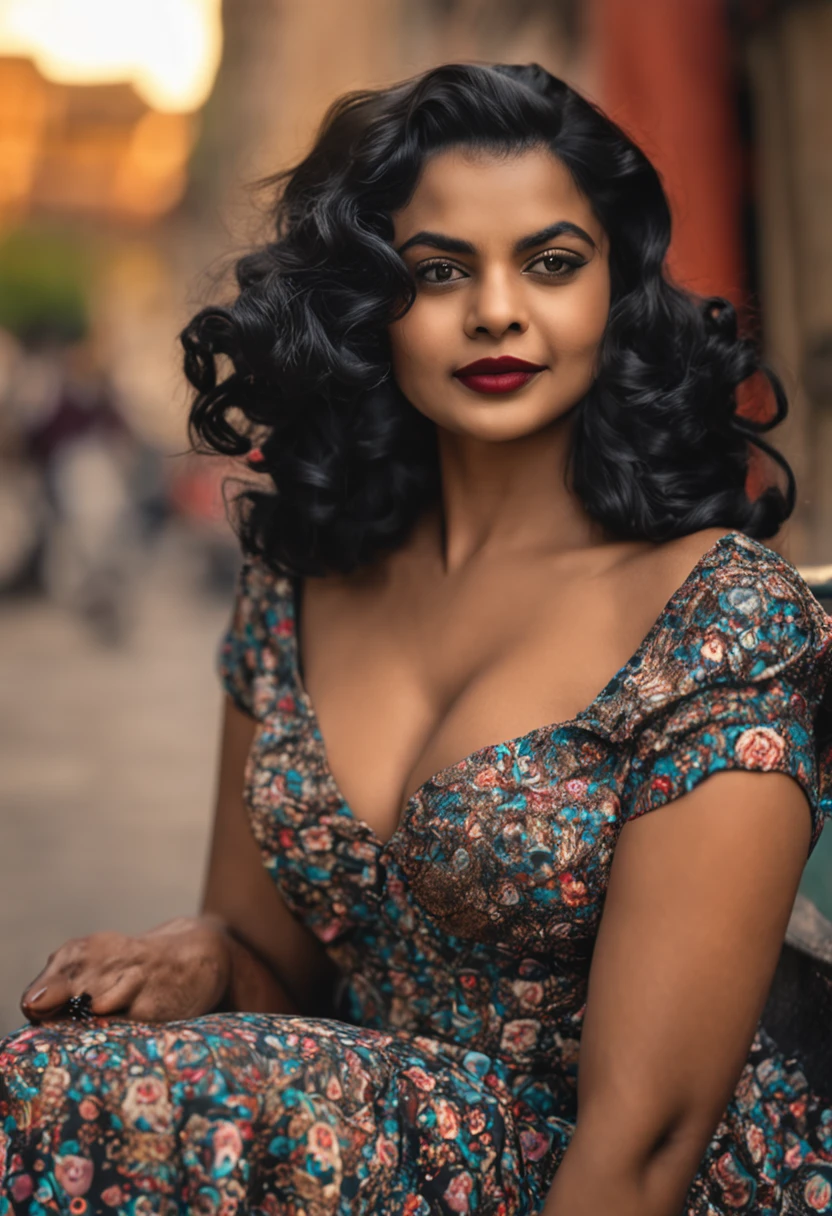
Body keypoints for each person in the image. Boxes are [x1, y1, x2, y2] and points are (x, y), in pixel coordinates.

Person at [2, 62, 831, 1216]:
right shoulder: (299, 582)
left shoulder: (719, 618)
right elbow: (276, 972)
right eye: (439, 270)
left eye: (551, 263)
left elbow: (648, 1135)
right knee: (58, 1080)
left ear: (614, 291)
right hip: (342, 1149)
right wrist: (200, 954)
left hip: (617, 1182)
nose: (496, 308)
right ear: (369, 302)